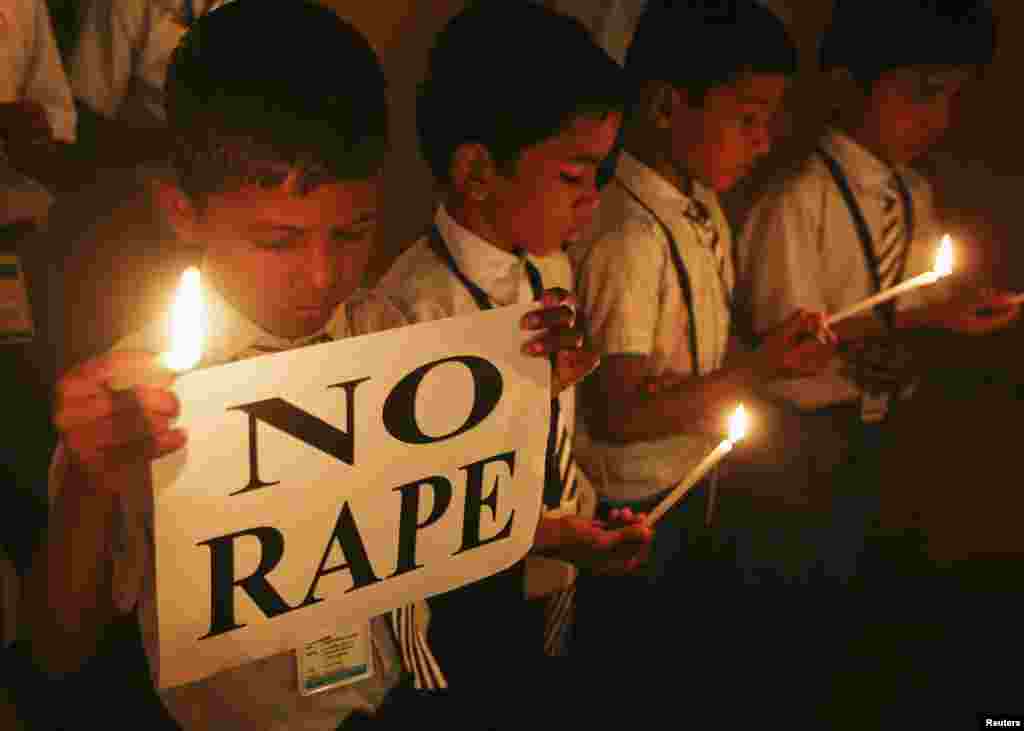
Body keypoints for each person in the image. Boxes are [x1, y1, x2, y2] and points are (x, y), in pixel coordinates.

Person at [24, 3, 592, 728]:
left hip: (390, 701)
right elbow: (56, 649)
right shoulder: (136, 397)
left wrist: (517, 403)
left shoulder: (388, 332)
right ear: (184, 212)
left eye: (353, 231)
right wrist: (88, 483)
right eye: (278, 240)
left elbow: (431, 525)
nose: (322, 276)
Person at [378, 0, 652, 698]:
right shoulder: (410, 308)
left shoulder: (547, 270)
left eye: (601, 171)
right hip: (445, 610)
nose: (593, 198)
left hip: (535, 573)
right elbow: (416, 506)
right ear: (477, 173)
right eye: (571, 175)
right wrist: (552, 535)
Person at [568, 0, 834, 657]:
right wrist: (761, 367)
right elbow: (620, 414)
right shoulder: (627, 234)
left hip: (690, 484)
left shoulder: (701, 204)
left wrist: (766, 353)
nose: (765, 142)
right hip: (629, 511)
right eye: (748, 119)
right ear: (663, 107)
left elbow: (701, 344)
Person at [735, 0, 1019, 589]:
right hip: (796, 443)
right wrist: (924, 320)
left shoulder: (913, 192)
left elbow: (909, 311)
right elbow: (782, 343)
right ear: (851, 83)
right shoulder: (799, 195)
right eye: (919, 94)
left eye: (949, 99)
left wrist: (945, 319)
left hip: (879, 431)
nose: (936, 117)